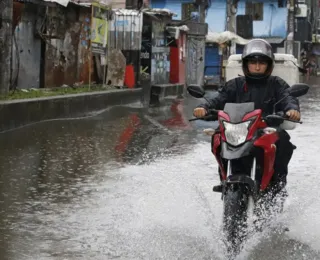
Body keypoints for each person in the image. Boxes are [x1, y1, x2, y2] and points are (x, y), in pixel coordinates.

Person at [193, 39, 300, 195]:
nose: (257, 67)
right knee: (217, 137)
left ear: (269, 65)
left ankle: (276, 187)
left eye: (262, 63)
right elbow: (218, 98)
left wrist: (292, 110)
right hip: (239, 130)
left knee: (283, 143)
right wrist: (203, 107)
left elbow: (289, 97)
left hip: (266, 129)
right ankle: (224, 180)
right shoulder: (234, 84)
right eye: (252, 62)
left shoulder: (277, 83)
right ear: (245, 64)